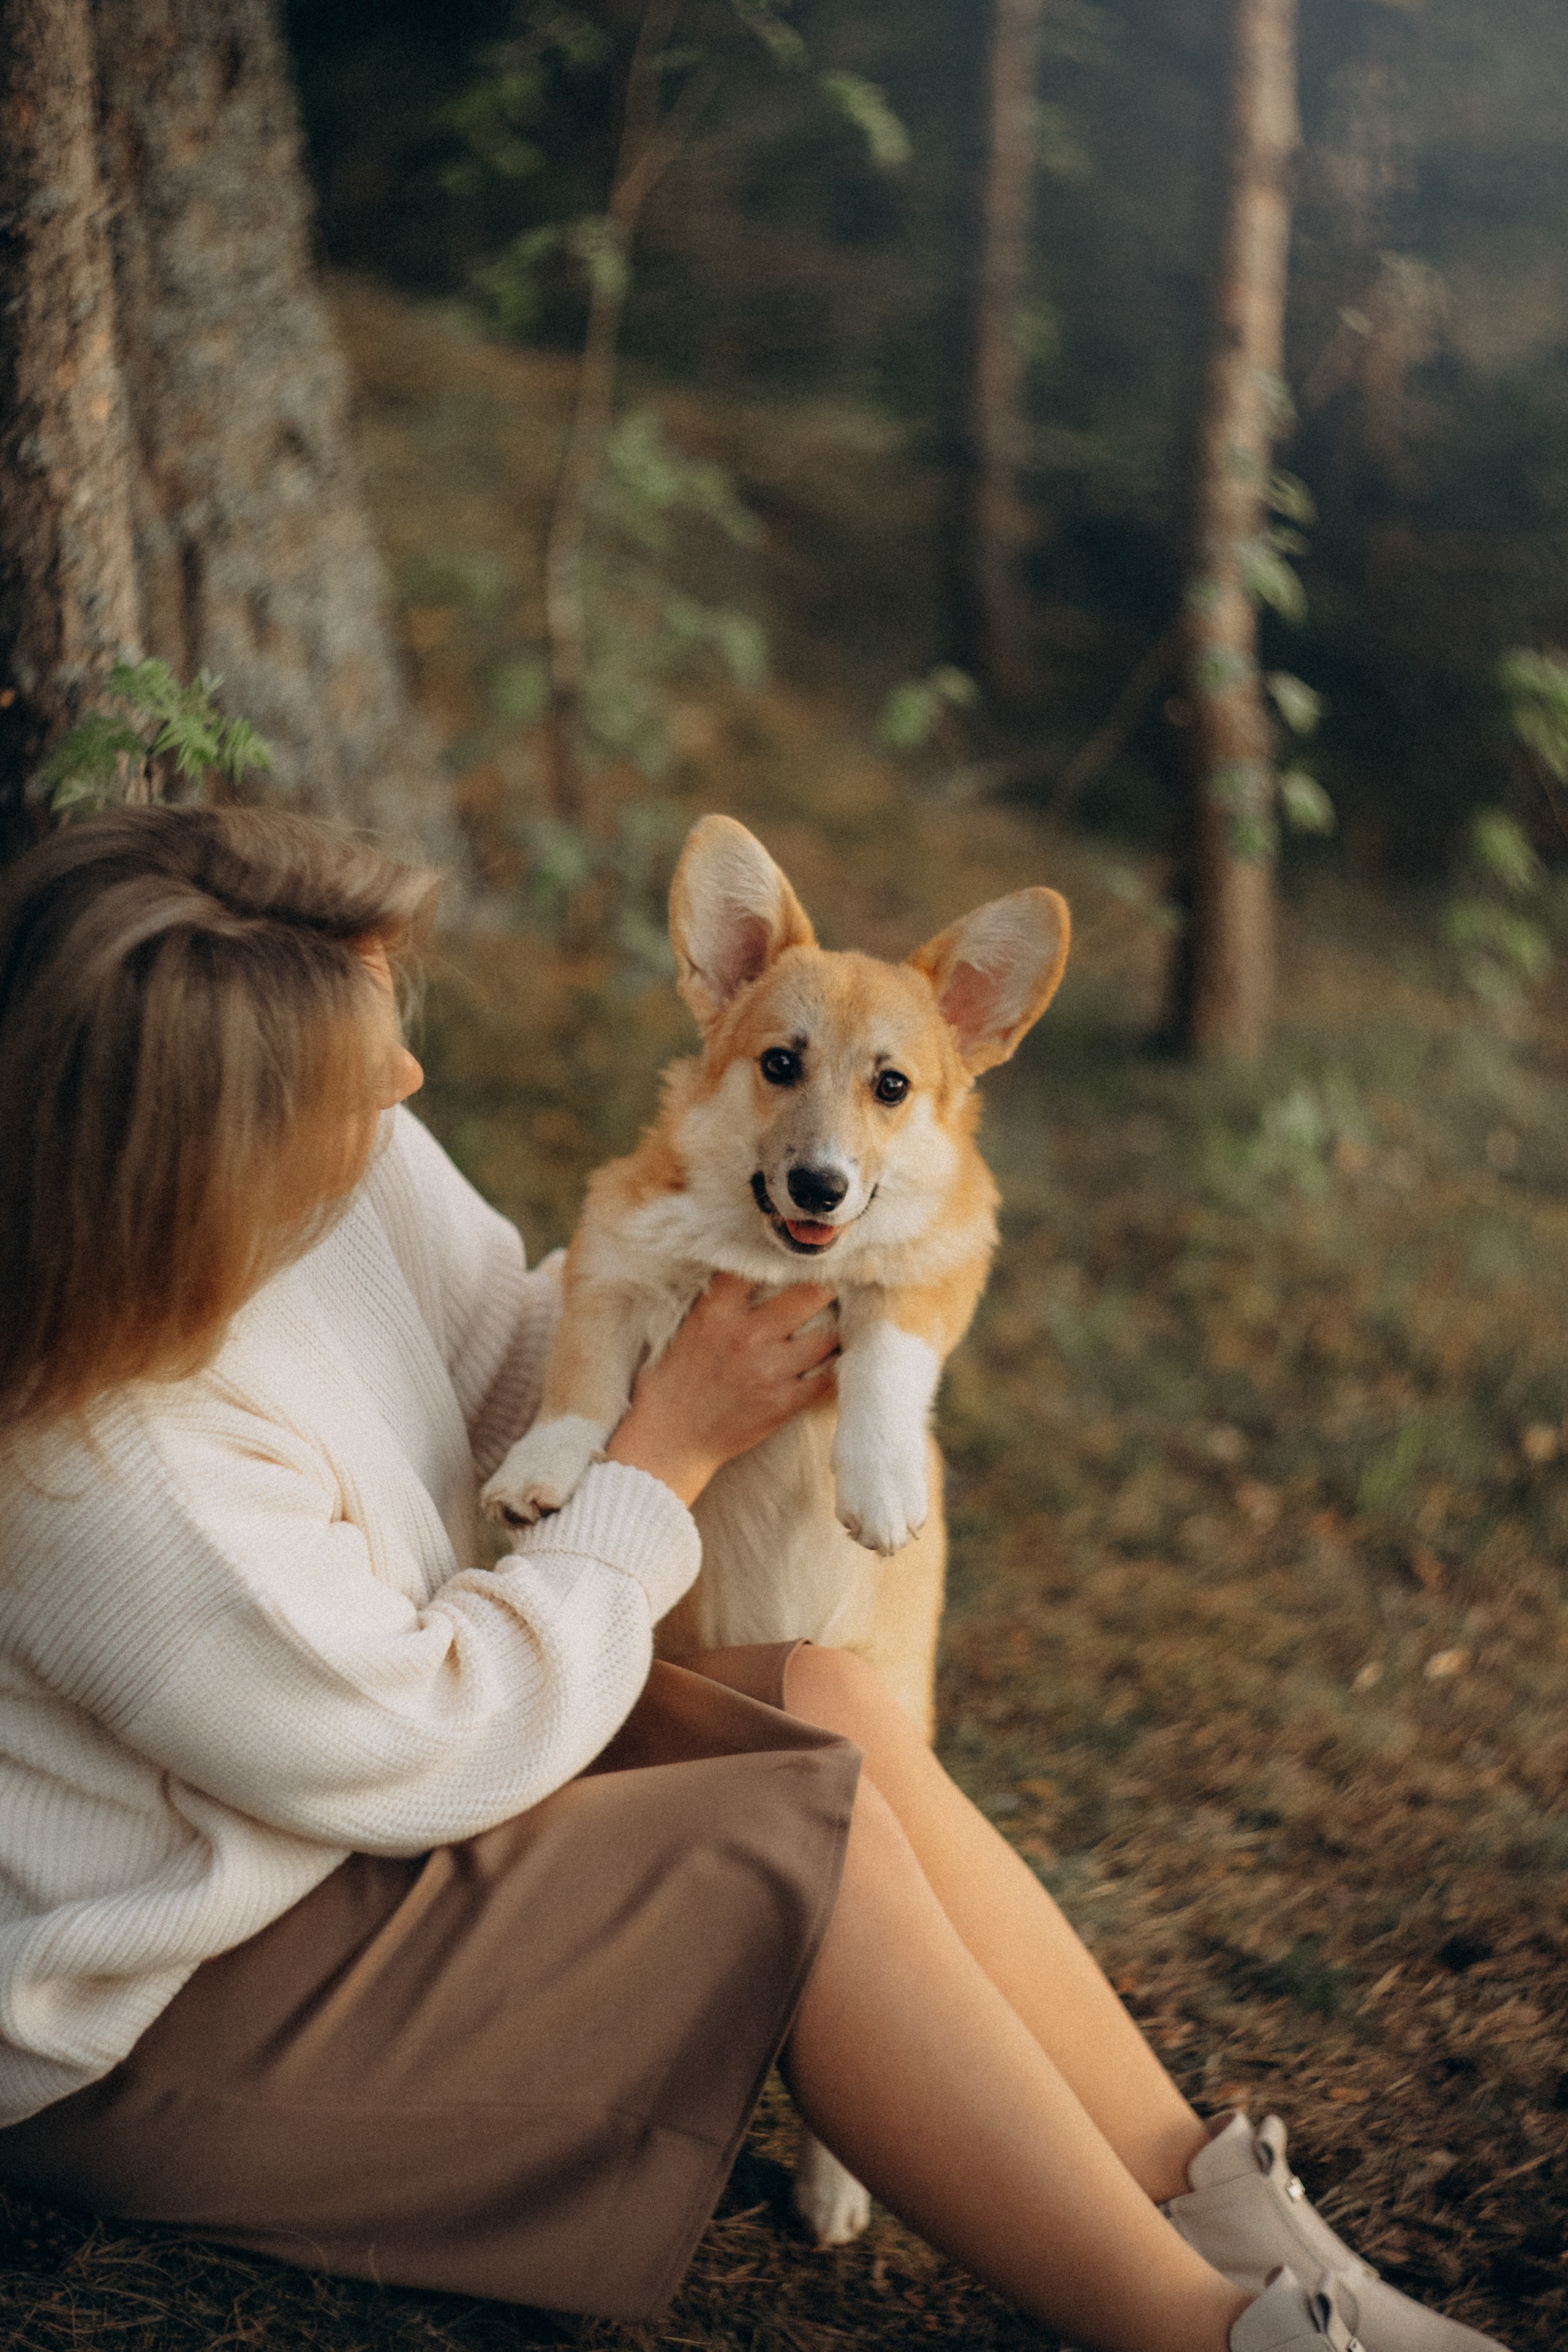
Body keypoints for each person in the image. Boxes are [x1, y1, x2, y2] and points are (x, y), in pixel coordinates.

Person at [0, 807, 1505, 2352]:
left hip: (332, 1815)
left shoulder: (338, 1161)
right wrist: (665, 1455)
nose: (408, 1081)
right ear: (199, 1140)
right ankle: (1203, 2332)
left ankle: (1253, 2236)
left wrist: (754, 1299)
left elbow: (503, 1357)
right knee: (799, 1852)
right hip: (176, 1995)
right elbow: (429, 1743)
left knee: (830, 1705)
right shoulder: (101, 1468)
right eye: (360, 1069)